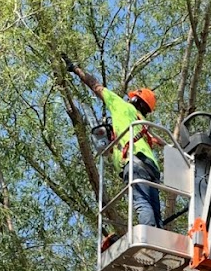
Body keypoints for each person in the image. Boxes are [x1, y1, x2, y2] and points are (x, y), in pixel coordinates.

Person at [64, 56, 163, 232]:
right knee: (155, 210)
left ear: (134, 100)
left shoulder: (121, 106)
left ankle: (148, 236)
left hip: (134, 162)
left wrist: (76, 70)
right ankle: (159, 236)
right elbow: (160, 142)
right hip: (152, 168)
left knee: (142, 202)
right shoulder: (143, 125)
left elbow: (96, 86)